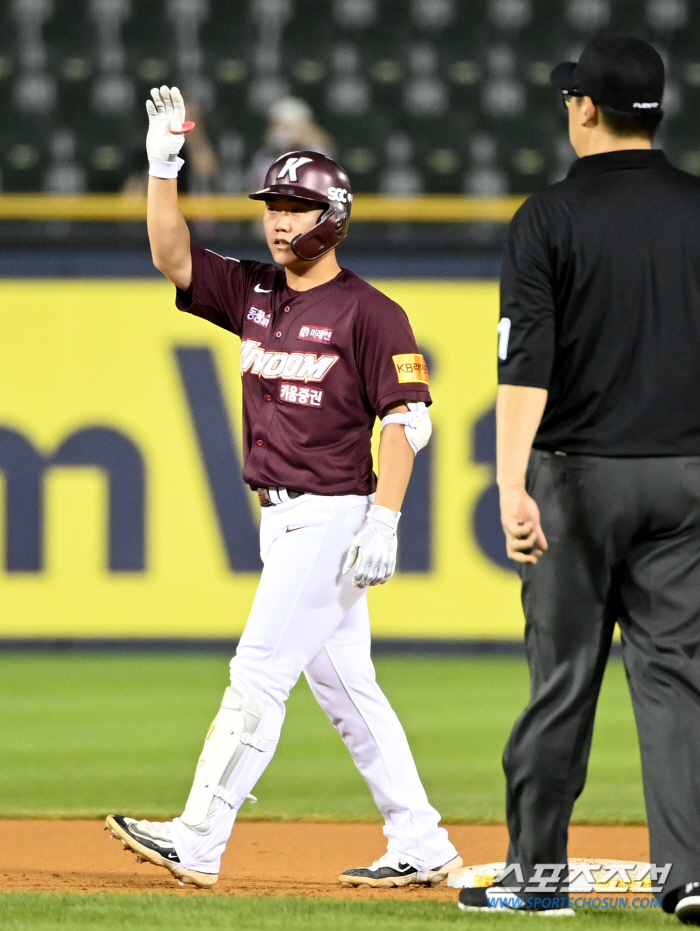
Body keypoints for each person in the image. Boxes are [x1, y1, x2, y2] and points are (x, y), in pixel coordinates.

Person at [105, 85, 461, 891]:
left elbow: (407, 420)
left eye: (296, 206)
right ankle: (422, 837)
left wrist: (386, 519)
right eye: (273, 205)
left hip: (332, 516)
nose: (279, 220)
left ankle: (199, 836)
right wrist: (165, 163)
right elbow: (173, 257)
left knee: (259, 670)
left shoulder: (371, 311)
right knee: (349, 692)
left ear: (332, 215)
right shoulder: (258, 292)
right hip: (284, 517)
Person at [457, 36, 700, 922]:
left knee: (563, 677)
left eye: (572, 97)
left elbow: (528, 362)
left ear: (586, 109)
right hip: (686, 481)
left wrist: (508, 483)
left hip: (578, 478)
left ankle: (540, 877)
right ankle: (692, 872)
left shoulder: (547, 218)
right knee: (677, 679)